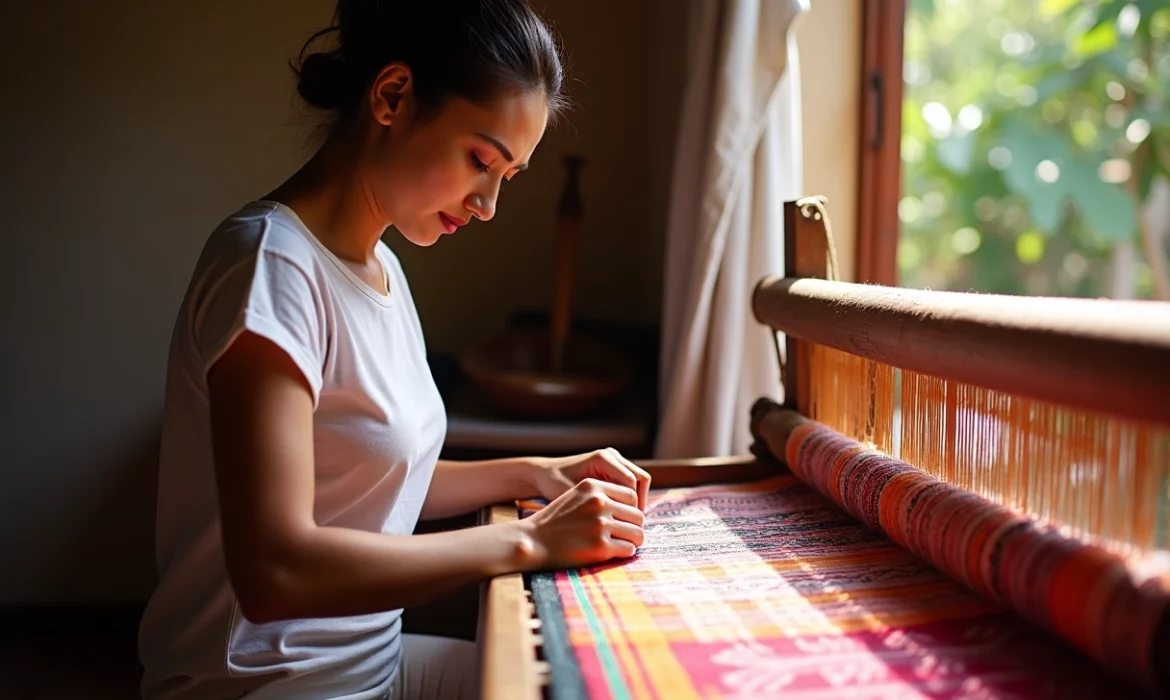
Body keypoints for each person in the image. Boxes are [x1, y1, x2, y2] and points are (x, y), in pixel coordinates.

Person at [136, 1, 650, 698]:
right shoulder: (270, 266)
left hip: (369, 665)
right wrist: (530, 541)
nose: (488, 204)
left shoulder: (380, 266)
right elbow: (274, 570)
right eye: (481, 160)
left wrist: (537, 472)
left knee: (597, 682)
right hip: (269, 685)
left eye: (509, 177)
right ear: (392, 96)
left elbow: (372, 479)